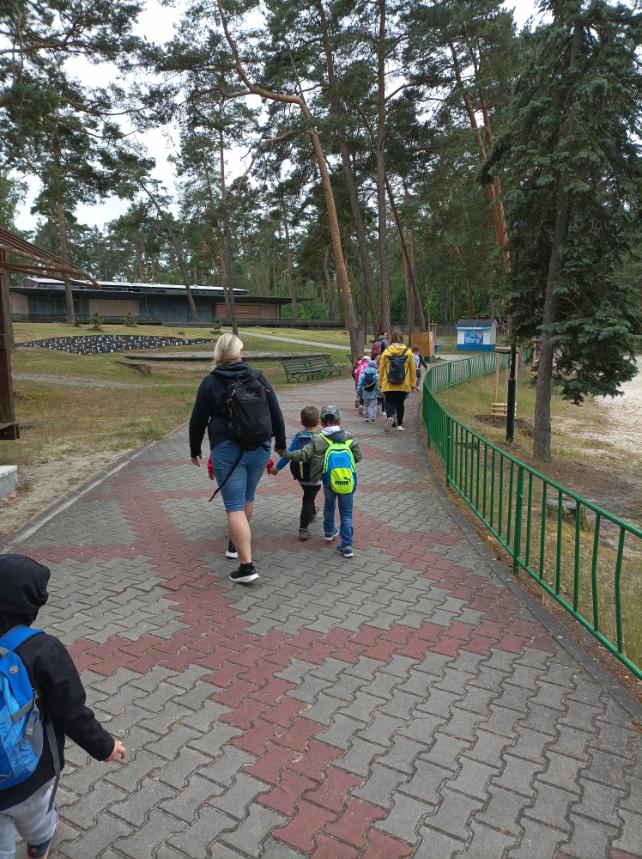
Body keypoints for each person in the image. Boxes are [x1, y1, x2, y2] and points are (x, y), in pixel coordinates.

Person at [0, 554, 126, 859]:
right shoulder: (43, 650)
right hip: (29, 771)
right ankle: (39, 845)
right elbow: (72, 713)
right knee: (37, 819)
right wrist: (105, 746)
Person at [189, 333, 286, 584]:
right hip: (260, 447)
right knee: (247, 497)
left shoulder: (211, 381)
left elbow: (198, 419)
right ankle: (235, 544)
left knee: (234, 506)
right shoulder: (257, 377)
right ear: (239, 352)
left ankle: (246, 566)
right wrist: (281, 444)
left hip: (227, 450)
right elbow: (275, 411)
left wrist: (194, 448)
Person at [283, 404, 362, 558]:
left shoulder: (318, 439)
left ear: (321, 422)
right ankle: (346, 546)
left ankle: (328, 532)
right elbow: (358, 457)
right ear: (339, 420)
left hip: (328, 480)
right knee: (346, 513)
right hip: (347, 480)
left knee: (329, 505)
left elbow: (303, 455)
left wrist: (285, 454)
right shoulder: (348, 436)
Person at [270, 406, 321, 541]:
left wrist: (277, 468)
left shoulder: (298, 436)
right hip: (315, 475)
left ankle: (313, 511)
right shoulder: (321, 438)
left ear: (302, 422)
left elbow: (288, 455)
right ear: (318, 422)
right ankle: (303, 529)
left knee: (309, 494)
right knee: (308, 499)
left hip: (300, 474)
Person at [379, 329, 417, 432]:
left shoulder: (387, 351)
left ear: (391, 339)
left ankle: (390, 417)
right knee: (400, 403)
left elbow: (381, 369)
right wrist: (413, 384)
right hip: (403, 383)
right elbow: (413, 369)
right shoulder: (408, 352)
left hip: (388, 383)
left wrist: (380, 383)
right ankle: (400, 425)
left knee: (389, 401)